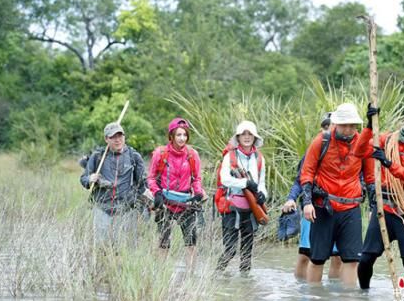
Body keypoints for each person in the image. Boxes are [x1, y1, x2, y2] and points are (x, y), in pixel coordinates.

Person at [354, 105, 404, 295]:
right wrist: (368, 127)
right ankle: (363, 299)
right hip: (384, 210)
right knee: (366, 259)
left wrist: (389, 164)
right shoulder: (387, 140)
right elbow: (359, 152)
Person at [300, 103, 374, 286]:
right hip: (324, 206)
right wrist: (307, 203)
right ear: (335, 124)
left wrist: (373, 207)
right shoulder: (321, 141)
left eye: (352, 125)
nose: (348, 129)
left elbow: (371, 178)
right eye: (344, 125)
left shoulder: (364, 144)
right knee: (317, 258)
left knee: (351, 259)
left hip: (351, 208)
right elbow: (307, 173)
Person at [281, 112, 343, 280]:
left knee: (338, 257)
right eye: (325, 125)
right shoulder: (315, 149)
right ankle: (303, 292)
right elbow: (300, 180)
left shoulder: (347, 151)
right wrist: (291, 198)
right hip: (314, 207)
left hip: (340, 209)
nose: (328, 128)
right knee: (306, 254)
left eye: (331, 125)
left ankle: (334, 298)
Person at [147, 118, 205, 269]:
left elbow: (197, 178)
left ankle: (190, 274)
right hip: (165, 203)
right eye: (178, 135)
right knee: (164, 242)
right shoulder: (160, 153)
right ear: (171, 136)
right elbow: (151, 178)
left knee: (191, 242)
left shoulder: (192, 154)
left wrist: (198, 193)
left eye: (185, 135)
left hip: (186, 203)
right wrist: (157, 193)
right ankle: (161, 273)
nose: (182, 138)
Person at [80, 122, 147, 247]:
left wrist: (147, 205)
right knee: (102, 247)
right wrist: (90, 178)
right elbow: (84, 179)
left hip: (126, 210)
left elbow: (143, 185)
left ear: (124, 136)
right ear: (106, 139)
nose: (117, 140)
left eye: (120, 136)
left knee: (125, 248)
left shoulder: (134, 156)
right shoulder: (98, 156)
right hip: (102, 208)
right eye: (113, 137)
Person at [216, 120, 267, 275]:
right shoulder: (229, 157)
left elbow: (262, 183)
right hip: (231, 207)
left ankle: (245, 288)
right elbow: (224, 179)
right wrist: (245, 183)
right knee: (230, 250)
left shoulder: (259, 158)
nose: (246, 137)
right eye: (243, 134)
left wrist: (262, 195)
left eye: (249, 134)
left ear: (254, 137)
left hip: (251, 208)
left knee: (246, 256)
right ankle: (215, 276)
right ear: (237, 138)